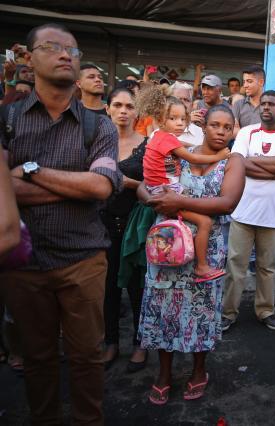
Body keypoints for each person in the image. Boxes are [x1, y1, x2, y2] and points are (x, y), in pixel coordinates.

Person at [0, 23, 121, 424]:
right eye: (52, 47)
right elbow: (2, 193)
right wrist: (75, 185)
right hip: (24, 265)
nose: (66, 54)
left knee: (87, 355)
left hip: (83, 260)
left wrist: (27, 172)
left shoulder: (97, 124)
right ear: (29, 58)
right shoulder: (8, 121)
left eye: (73, 49)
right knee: (37, 358)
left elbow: (102, 186)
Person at [137, 104, 245, 404]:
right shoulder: (180, 150)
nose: (221, 132)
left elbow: (227, 203)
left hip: (206, 250)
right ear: (204, 126)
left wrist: (179, 201)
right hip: (167, 246)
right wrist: (154, 198)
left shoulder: (233, 160)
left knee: (202, 311)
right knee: (162, 306)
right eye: (215, 125)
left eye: (227, 127)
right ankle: (164, 373)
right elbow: (145, 186)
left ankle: (199, 370)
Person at [221, 90, 275, 332]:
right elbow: (238, 163)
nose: (266, 107)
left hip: (273, 211)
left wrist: (255, 163)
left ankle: (265, 310)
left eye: (271, 104)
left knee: (267, 266)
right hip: (243, 208)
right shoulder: (246, 132)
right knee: (236, 264)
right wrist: (274, 167)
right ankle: (228, 313)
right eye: (263, 104)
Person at [141, 94, 230, 281]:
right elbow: (194, 157)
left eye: (183, 118)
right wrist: (219, 156)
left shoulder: (157, 136)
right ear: (159, 119)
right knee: (204, 222)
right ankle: (202, 266)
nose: (180, 123)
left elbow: (182, 147)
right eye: (173, 118)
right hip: (166, 192)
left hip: (156, 189)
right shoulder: (168, 139)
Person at [101, 87, 149, 372]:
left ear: (136, 112)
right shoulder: (98, 142)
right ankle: (111, 343)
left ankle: (140, 343)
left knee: (136, 287)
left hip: (135, 224)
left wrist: (123, 181)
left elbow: (154, 185)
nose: (123, 111)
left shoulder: (147, 144)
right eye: (117, 105)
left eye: (129, 106)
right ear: (108, 109)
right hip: (102, 223)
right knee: (107, 288)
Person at [169, 81, 205, 146]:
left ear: (191, 105)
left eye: (186, 100)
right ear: (168, 103)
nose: (182, 103)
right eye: (178, 99)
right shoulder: (158, 131)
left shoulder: (201, 134)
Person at [231, 65, 265, 132]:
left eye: (249, 81)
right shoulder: (238, 104)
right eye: (244, 82)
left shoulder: (270, 106)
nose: (245, 86)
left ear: (261, 82)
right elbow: (233, 130)